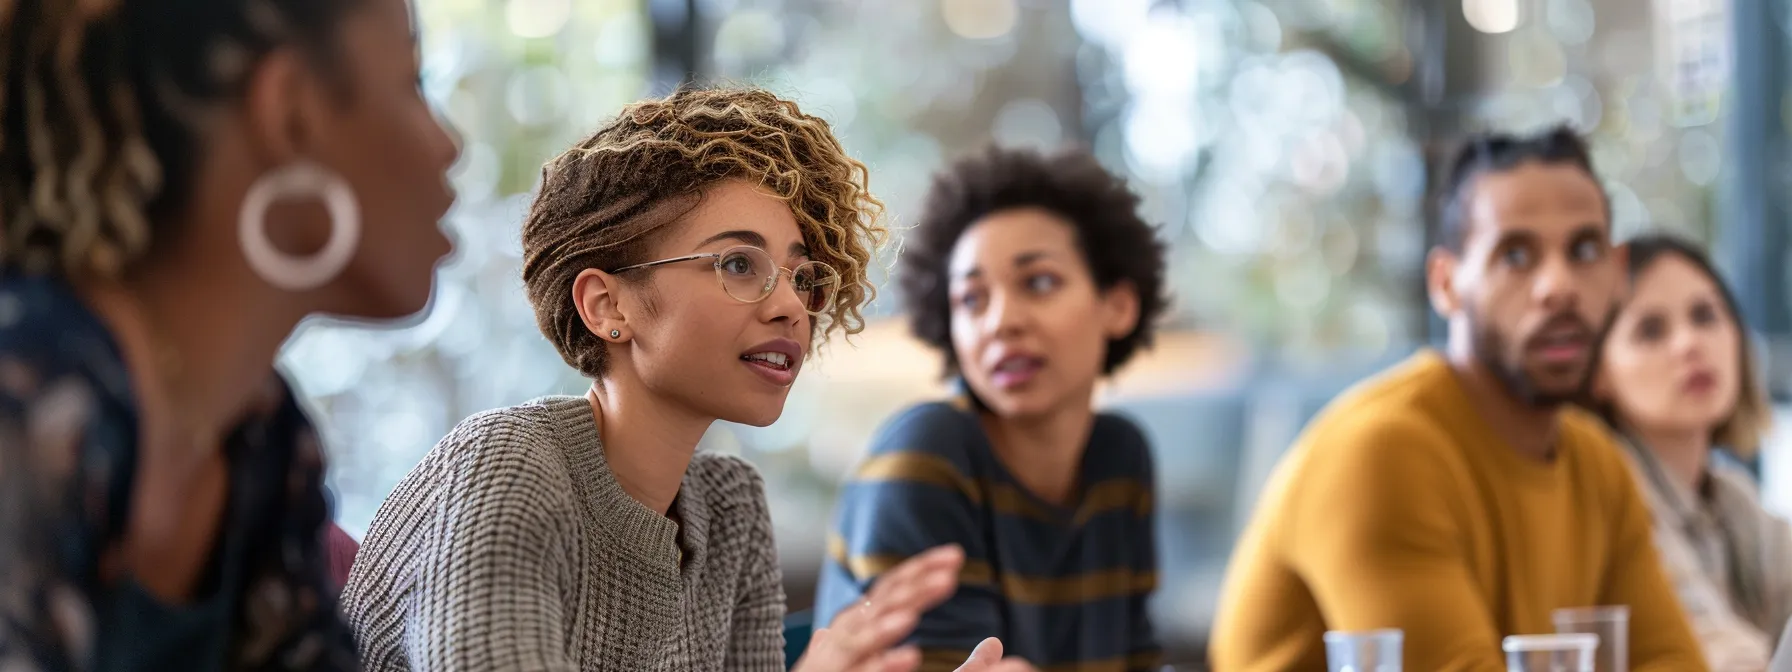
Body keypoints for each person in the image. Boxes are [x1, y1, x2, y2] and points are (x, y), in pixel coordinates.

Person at [342, 87, 1036, 672]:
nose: (791, 304)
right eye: (739, 264)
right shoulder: (508, 470)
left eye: (802, 276)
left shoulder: (731, 511)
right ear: (606, 305)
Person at [0, 0, 459, 669]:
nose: (450, 144)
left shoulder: (263, 440)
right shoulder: (25, 395)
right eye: (413, 83)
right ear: (292, 113)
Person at [1207, 126, 1707, 671]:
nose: (1558, 286)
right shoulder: (1380, 453)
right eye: (1516, 255)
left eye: (1583, 250)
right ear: (1446, 284)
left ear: (1616, 274)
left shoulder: (1597, 465)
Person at [812, 146, 1169, 671]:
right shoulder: (926, 456)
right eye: (971, 300)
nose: (1001, 322)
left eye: (1039, 282)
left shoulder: (1121, 456)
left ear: (1117, 305)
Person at [1593, 234, 1792, 671]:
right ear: (1597, 373)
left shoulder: (1731, 500)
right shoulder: (1608, 495)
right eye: (1650, 330)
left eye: (1705, 316)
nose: (1689, 344)